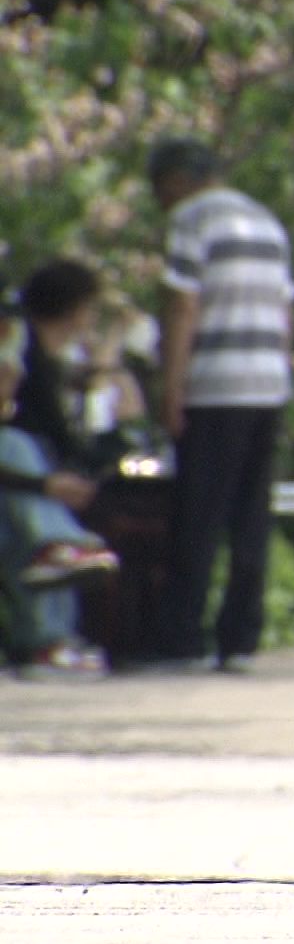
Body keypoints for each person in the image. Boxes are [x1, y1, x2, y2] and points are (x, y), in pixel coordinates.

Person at [146, 139, 294, 673]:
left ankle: (182, 637)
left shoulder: (192, 220)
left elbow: (183, 304)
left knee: (199, 514)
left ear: (177, 180)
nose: (159, 201)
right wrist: (281, 375)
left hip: (214, 386)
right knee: (251, 517)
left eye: (159, 188)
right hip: (266, 385)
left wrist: (171, 388)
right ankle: (240, 639)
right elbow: (285, 310)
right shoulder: (267, 223)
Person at [1, 262, 121, 677]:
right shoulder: (26, 358)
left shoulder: (50, 367)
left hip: (21, 494)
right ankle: (62, 551)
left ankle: (49, 636)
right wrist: (46, 483)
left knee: (30, 528)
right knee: (17, 451)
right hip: (18, 484)